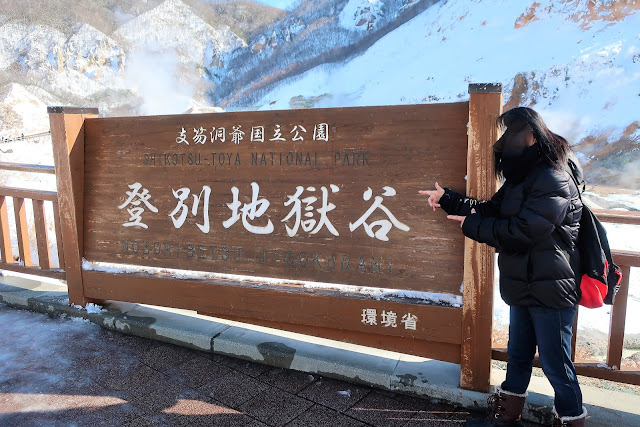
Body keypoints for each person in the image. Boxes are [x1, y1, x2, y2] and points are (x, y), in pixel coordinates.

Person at [419, 107, 588, 427]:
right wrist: (449, 200)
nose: (505, 141)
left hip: (551, 287)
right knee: (519, 354)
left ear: (533, 135)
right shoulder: (522, 177)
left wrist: (472, 226)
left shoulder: (553, 176)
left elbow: (524, 232)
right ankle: (507, 416)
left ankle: (571, 420)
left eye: (512, 133)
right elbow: (492, 210)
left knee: (555, 364)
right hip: (522, 282)